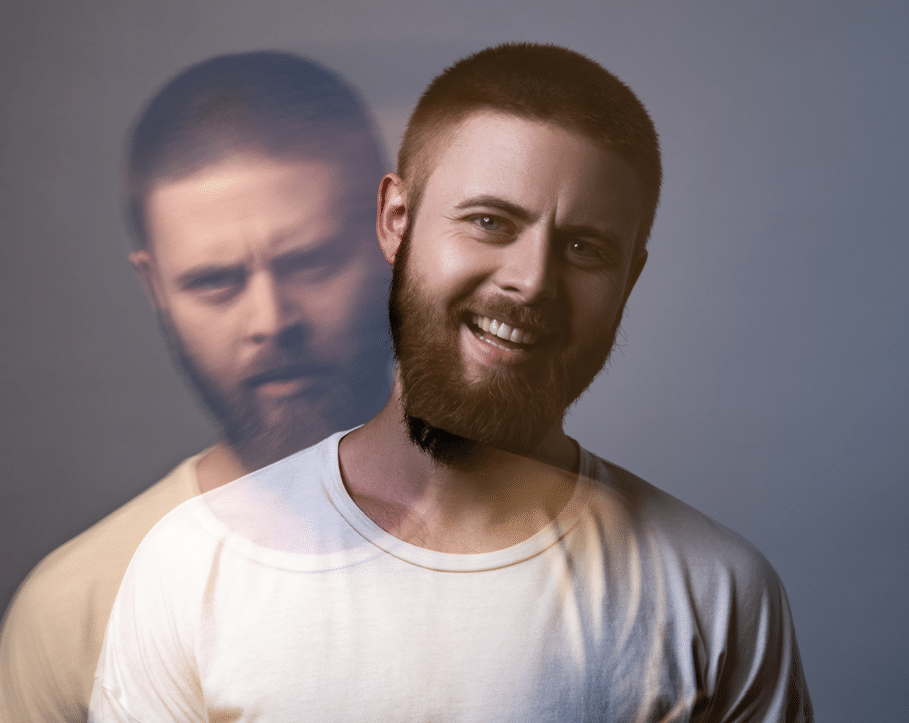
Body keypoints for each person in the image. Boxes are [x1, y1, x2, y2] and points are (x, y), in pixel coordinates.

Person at [90, 43, 812, 722]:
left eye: (585, 248)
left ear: (630, 279)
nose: (531, 282)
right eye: (490, 221)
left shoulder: (715, 592)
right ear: (396, 222)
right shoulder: (190, 567)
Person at [0, 51, 393, 723]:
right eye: (215, 282)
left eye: (311, 262)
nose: (271, 320)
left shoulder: (587, 550)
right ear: (155, 287)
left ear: (392, 237)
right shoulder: (77, 609)